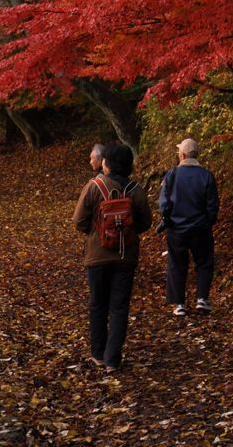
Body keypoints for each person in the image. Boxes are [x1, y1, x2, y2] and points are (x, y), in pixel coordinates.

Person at [73, 142, 152, 371]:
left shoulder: (94, 186)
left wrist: (97, 232)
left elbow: (79, 220)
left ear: (106, 164)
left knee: (98, 304)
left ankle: (97, 354)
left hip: (97, 257)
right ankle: (112, 360)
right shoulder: (135, 190)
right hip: (125, 256)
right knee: (119, 307)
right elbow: (145, 222)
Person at [159, 137, 219, 316]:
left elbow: (164, 203)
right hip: (200, 229)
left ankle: (179, 304)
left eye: (179, 152)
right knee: (204, 263)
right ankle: (202, 299)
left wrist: (167, 220)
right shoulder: (207, 176)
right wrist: (208, 222)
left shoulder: (172, 174)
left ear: (183, 155)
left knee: (176, 264)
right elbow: (212, 205)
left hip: (176, 230)